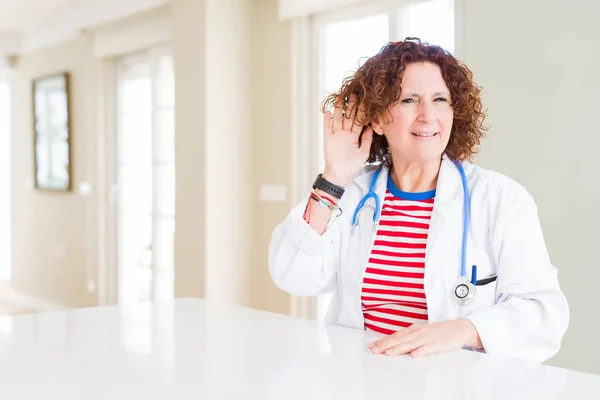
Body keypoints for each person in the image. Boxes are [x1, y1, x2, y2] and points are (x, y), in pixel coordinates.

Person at [268, 38, 569, 363]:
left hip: (455, 386)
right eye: (409, 100)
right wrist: (334, 176)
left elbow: (544, 317)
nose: (428, 116)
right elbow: (294, 275)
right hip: (358, 380)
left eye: (440, 99)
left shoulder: (500, 200)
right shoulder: (352, 194)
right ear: (379, 118)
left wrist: (464, 329)